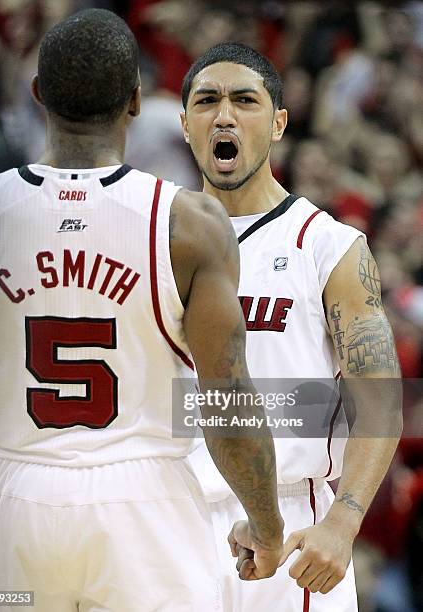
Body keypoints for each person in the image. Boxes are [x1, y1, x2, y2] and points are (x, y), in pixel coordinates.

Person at [0, 16, 284, 611]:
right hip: (144, 507)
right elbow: (227, 397)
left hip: (9, 495)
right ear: (137, 98)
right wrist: (265, 522)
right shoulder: (189, 223)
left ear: (38, 94)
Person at [181, 43, 403, 611]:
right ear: (185, 124)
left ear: (279, 122)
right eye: (207, 101)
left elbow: (379, 401)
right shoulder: (151, 239)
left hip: (291, 526)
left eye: (245, 101)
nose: (224, 115)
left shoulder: (328, 245)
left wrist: (343, 520)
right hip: (167, 521)